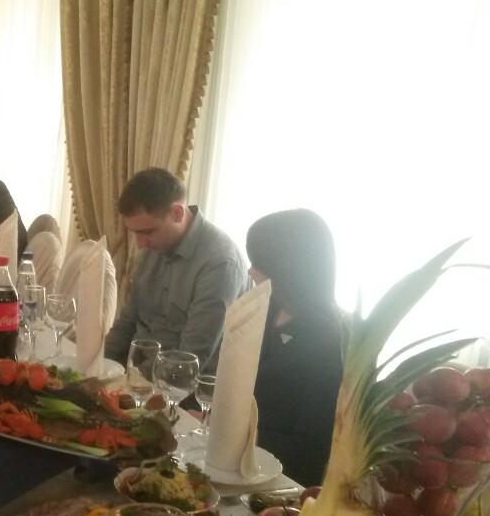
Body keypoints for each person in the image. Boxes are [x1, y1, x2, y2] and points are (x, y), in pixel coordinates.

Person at [104, 168, 248, 370]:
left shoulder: (220, 263)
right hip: (134, 368)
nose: (140, 244)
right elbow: (128, 321)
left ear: (177, 213)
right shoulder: (154, 246)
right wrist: (97, 363)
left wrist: (128, 378)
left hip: (181, 382)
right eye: (135, 233)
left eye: (148, 232)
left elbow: (191, 357)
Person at [246, 209, 344, 487]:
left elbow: (310, 449)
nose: (251, 271)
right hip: (235, 457)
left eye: (259, 263)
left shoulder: (329, 341)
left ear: (288, 269)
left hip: (278, 479)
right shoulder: (264, 309)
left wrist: (238, 434)